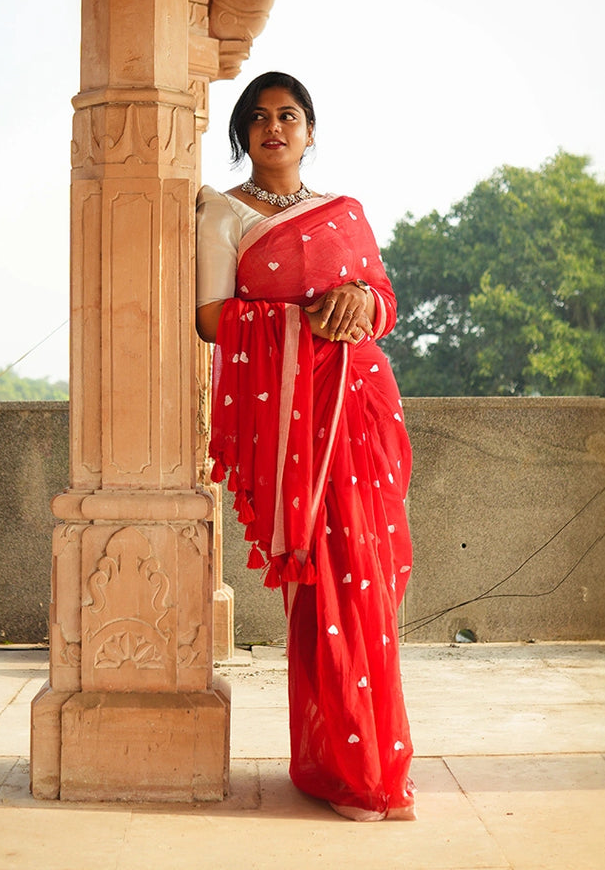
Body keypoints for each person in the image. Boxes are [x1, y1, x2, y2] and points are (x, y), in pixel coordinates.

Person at [196, 71, 416, 822]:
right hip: (292, 427)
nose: (274, 127)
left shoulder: (344, 211)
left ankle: (371, 763)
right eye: (258, 117)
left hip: (358, 417)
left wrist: (362, 302)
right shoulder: (221, 213)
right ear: (243, 134)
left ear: (311, 131)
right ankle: (344, 770)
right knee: (323, 588)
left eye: (289, 115)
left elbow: (384, 301)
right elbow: (208, 318)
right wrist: (301, 319)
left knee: (370, 584)